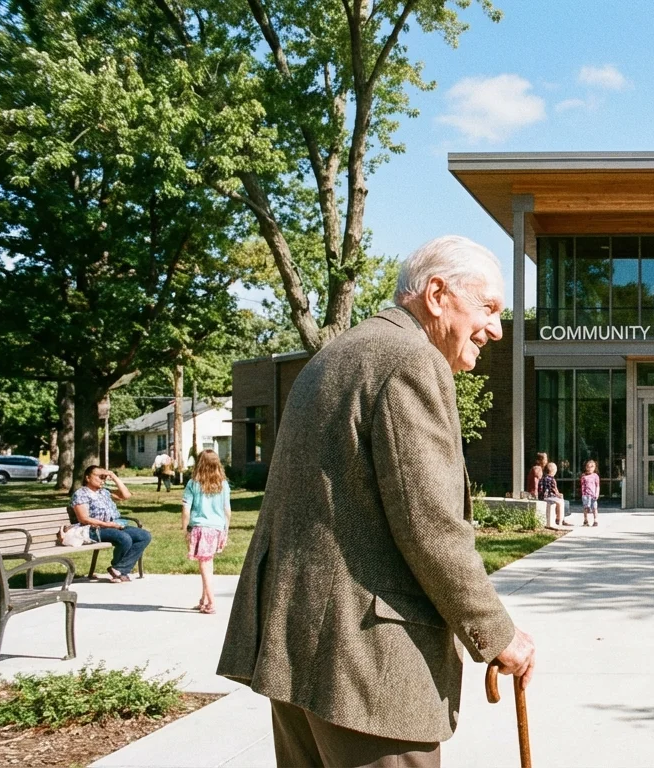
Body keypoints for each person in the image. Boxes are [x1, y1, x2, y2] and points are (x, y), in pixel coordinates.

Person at [218, 235, 535, 768]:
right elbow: (432, 528)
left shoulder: (337, 354)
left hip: (298, 655)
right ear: (437, 293)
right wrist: (497, 634)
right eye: (489, 308)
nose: (497, 329)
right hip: (366, 670)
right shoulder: (411, 359)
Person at [71, 465, 151, 582]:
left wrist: (114, 477)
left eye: (104, 477)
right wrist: (109, 525)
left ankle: (119, 569)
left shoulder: (104, 492)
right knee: (124, 538)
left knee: (144, 536)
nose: (102, 480)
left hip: (114, 525)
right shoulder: (81, 494)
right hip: (93, 529)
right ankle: (120, 571)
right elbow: (84, 519)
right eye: (100, 477)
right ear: (88, 478)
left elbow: (126, 495)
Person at [182, 449, 231, 614]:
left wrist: (186, 528)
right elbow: (227, 510)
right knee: (208, 564)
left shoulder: (193, 484)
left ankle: (211, 602)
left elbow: (186, 508)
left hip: (201, 528)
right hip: (217, 528)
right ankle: (203, 600)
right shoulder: (223, 484)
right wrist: (226, 530)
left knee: (204, 565)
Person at [540, 461, 568, 527]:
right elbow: (554, 490)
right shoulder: (552, 479)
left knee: (559, 499)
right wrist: (559, 495)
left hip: (542, 497)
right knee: (561, 501)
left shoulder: (542, 478)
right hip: (549, 497)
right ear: (554, 471)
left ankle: (560, 518)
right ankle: (560, 520)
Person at [579, 460, 600, 527]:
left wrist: (597, 494)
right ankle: (585, 520)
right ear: (586, 467)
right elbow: (582, 486)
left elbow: (597, 486)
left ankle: (595, 520)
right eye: (588, 467)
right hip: (586, 495)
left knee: (594, 508)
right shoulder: (584, 476)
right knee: (585, 508)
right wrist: (583, 495)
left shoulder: (595, 476)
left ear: (594, 468)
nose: (590, 468)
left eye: (592, 467)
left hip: (593, 495)